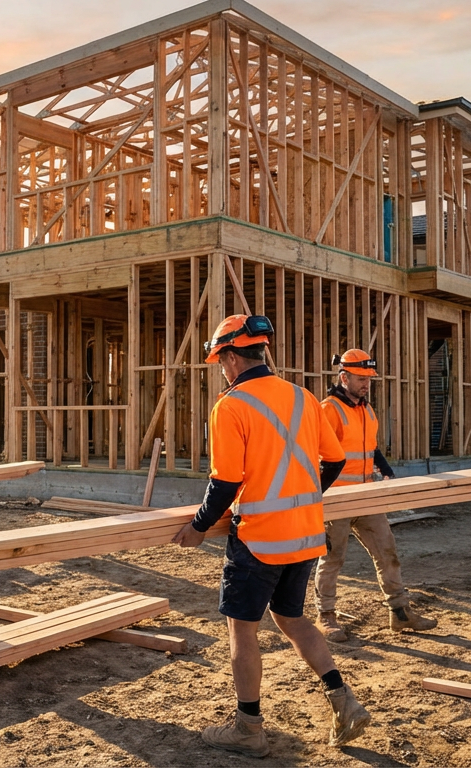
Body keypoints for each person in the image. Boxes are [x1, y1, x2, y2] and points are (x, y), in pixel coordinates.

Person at [172, 315, 369, 757]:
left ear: (230, 357)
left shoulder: (232, 405)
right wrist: (302, 494)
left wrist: (199, 527)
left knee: (242, 631)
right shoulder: (303, 398)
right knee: (293, 620)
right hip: (304, 536)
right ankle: (344, 700)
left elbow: (226, 482)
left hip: (259, 539)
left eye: (220, 361)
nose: (221, 369)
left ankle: (248, 728)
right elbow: (333, 461)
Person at [314, 349, 437, 643]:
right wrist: (316, 495)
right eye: (361, 378)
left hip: (368, 497)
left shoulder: (367, 410)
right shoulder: (328, 409)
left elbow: (371, 448)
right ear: (344, 377)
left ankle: (400, 613)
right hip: (337, 499)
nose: (367, 384)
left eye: (369, 379)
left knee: (387, 553)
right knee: (332, 559)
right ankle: (326, 616)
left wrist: (386, 469)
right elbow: (314, 454)